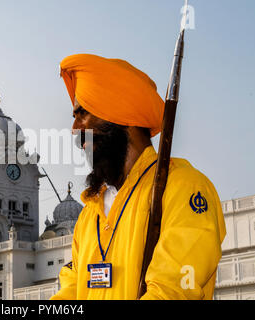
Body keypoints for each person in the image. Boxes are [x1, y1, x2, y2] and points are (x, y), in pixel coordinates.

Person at [50, 54, 226, 300]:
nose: (75, 129)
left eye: (83, 114)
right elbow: (71, 291)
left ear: (121, 115)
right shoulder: (90, 213)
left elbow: (172, 291)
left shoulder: (183, 188)